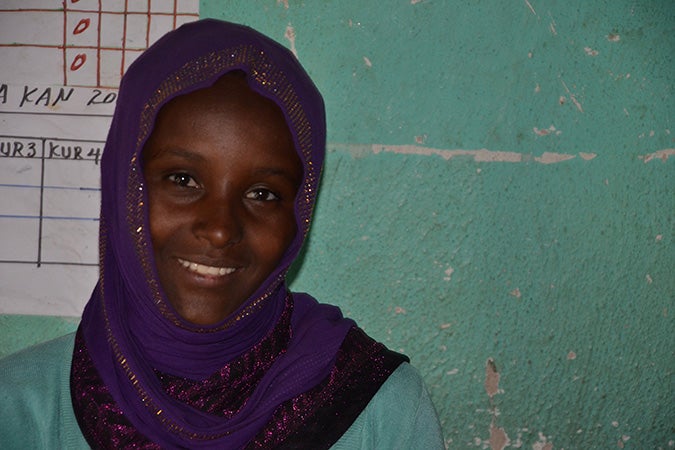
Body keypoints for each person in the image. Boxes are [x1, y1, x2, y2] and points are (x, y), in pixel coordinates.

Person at [0, 19, 444, 449]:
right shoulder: (19, 408)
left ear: (298, 216)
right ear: (124, 186)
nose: (218, 229)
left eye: (263, 193)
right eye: (183, 180)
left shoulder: (379, 412)